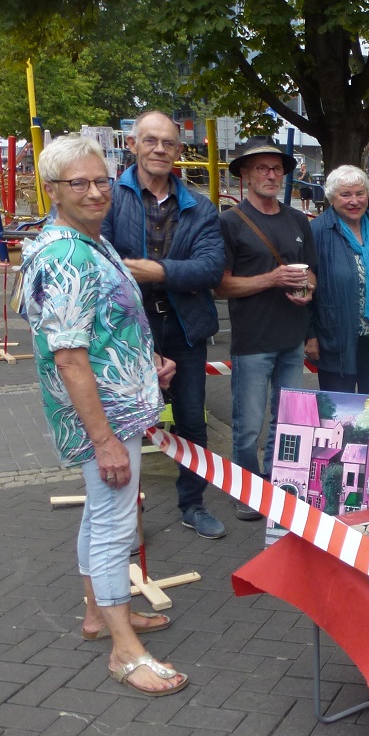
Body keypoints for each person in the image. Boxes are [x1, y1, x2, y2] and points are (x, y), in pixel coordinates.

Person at [20, 135, 187, 696]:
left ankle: (99, 613)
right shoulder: (66, 256)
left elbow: (105, 331)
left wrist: (147, 364)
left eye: (100, 182)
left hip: (114, 410)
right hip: (102, 424)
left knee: (101, 516)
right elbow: (69, 359)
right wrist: (105, 441)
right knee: (116, 527)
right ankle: (123, 649)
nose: (95, 193)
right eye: (79, 184)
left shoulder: (89, 242)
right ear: (52, 190)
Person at [102, 110, 227, 540]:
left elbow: (211, 269)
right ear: (132, 145)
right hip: (126, 332)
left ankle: (193, 505)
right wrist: (176, 270)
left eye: (168, 143)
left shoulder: (200, 206)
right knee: (128, 424)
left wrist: (152, 271)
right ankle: (126, 519)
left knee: (192, 422)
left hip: (185, 329)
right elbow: (101, 263)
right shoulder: (109, 198)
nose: (159, 149)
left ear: (178, 150)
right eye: (150, 140)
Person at [217, 137, 317, 520]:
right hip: (253, 341)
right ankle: (245, 489)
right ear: (245, 174)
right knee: (248, 424)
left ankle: (275, 485)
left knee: (287, 420)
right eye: (262, 168)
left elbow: (312, 275)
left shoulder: (296, 221)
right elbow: (221, 285)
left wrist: (306, 291)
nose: (271, 175)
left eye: (276, 168)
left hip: (292, 338)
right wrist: (272, 280)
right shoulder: (230, 222)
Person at [305, 165, 369, 394]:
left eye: (360, 193)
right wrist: (309, 336)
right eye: (345, 194)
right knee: (338, 412)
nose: (354, 201)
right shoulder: (317, 231)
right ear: (331, 197)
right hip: (336, 339)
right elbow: (304, 287)